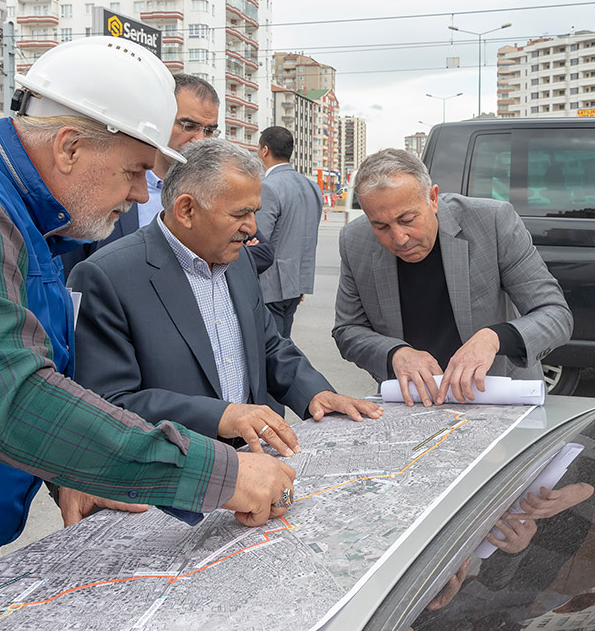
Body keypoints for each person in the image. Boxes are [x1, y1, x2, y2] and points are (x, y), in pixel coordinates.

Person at [0, 37, 294, 610]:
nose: (137, 193)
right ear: (71, 146)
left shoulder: (26, 214)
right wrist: (220, 476)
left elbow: (40, 369)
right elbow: (10, 400)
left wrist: (66, 467)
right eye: (133, 172)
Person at [67, 137, 382, 454]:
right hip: (175, 472)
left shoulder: (238, 259)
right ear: (187, 210)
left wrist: (313, 393)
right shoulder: (107, 276)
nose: (252, 227)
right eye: (241, 214)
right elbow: (109, 402)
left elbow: (268, 345)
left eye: (255, 212)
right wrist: (220, 415)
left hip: (253, 459)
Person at [332, 148, 573, 406]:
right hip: (412, 401)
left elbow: (555, 314)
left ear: (433, 199)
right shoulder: (354, 241)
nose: (399, 238)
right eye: (381, 226)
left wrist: (493, 338)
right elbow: (348, 329)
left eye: (408, 219)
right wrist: (395, 353)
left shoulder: (492, 222)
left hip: (495, 397)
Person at [60, 74, 273, 276]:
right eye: (189, 126)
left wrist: (207, 262)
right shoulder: (107, 184)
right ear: (159, 120)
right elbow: (72, 267)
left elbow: (263, 252)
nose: (200, 139)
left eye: (209, 131)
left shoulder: (214, 188)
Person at [257, 126, 324, 337]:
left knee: (271, 349)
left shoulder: (267, 187)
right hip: (298, 280)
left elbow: (258, 239)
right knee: (284, 343)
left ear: (264, 150)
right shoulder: (312, 187)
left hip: (270, 285)